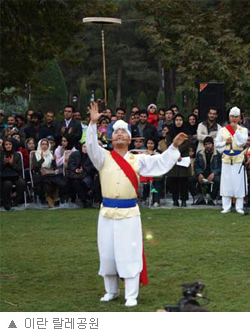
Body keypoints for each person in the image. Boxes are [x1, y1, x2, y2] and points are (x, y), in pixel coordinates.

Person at [86, 102, 187, 307]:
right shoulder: (103, 157)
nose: (120, 135)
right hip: (106, 214)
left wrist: (174, 146)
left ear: (130, 138)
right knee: (107, 253)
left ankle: (130, 295)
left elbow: (160, 163)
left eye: (124, 132)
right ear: (111, 137)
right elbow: (90, 146)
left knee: (129, 252)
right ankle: (110, 291)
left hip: (129, 214)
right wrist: (92, 124)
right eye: (116, 132)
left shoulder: (138, 159)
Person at [214, 106, 248, 214]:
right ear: (229, 117)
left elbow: (241, 143)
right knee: (226, 182)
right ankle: (226, 206)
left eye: (236, 116)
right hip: (227, 159)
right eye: (232, 116)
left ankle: (239, 207)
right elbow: (216, 144)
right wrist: (225, 143)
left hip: (238, 158)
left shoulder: (243, 130)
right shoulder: (222, 130)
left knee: (239, 183)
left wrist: (235, 131)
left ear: (239, 118)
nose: (234, 118)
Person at [167, 114, 190, 207]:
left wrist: (178, 152)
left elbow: (187, 144)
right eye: (177, 120)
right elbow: (169, 143)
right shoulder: (170, 132)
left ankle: (184, 200)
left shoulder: (186, 132)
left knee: (184, 181)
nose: (178, 122)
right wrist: (175, 154)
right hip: (173, 159)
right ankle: (175, 200)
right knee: (173, 181)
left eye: (180, 120)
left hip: (183, 158)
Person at [194, 137, 222, 205]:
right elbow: (196, 165)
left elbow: (220, 167)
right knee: (190, 179)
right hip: (203, 173)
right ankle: (200, 197)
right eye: (206, 144)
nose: (207, 146)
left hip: (213, 174)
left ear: (212, 144)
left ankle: (212, 198)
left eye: (209, 144)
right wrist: (199, 173)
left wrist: (214, 173)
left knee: (217, 180)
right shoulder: (199, 153)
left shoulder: (218, 154)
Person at [67, 142, 96, 207]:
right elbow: (70, 164)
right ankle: (85, 200)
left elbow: (93, 167)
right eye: (84, 147)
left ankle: (85, 200)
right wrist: (75, 169)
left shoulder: (92, 156)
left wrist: (84, 169)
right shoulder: (75, 154)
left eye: (87, 147)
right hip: (75, 174)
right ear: (81, 147)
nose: (85, 149)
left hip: (87, 175)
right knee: (75, 182)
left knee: (83, 182)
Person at [0, 138, 26, 210]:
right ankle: (6, 203)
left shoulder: (17, 155)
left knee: (22, 183)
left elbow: (19, 168)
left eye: (10, 144)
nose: (8, 146)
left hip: (15, 175)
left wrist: (12, 164)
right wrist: (4, 163)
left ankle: (16, 201)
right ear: (4, 146)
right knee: (7, 184)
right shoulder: (1, 154)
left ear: (12, 145)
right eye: (6, 144)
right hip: (4, 176)